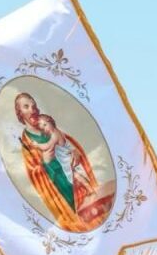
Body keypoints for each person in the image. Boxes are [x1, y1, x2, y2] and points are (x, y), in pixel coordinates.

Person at [13, 92, 100, 232]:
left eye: (34, 106)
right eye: (26, 107)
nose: (32, 110)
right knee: (78, 218)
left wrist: (75, 152)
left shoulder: (49, 128)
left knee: (91, 209)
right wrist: (46, 163)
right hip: (58, 185)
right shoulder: (27, 141)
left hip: (73, 175)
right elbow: (33, 175)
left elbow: (69, 144)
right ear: (20, 113)